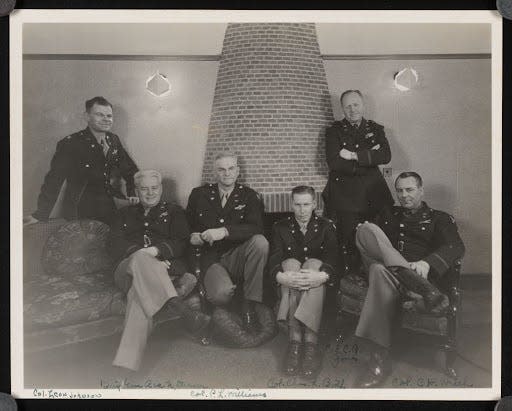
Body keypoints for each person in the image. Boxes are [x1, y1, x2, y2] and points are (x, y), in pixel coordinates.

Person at [352, 171, 465, 388]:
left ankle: (378, 360)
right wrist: (364, 234)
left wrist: (427, 262)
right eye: (400, 191)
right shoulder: (387, 214)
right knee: (365, 230)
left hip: (405, 273)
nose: (404, 195)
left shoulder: (439, 218)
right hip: (401, 277)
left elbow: (456, 247)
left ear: (421, 190)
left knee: (377, 270)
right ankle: (420, 287)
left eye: (410, 190)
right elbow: (373, 244)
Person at [109, 170, 210, 371]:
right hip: (126, 271)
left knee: (138, 297)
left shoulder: (175, 212)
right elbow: (113, 243)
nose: (150, 193)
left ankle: (126, 366)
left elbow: (181, 242)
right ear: (136, 190)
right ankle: (181, 309)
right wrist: (145, 257)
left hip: (160, 275)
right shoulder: (124, 214)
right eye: (144, 189)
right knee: (140, 257)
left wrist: (155, 253)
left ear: (161, 189)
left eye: (154, 188)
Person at [23, 96, 139, 226]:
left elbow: (130, 170)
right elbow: (54, 180)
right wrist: (41, 214)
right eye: (100, 115)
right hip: (81, 208)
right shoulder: (71, 143)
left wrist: (132, 192)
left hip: (110, 204)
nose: (106, 119)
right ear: (87, 116)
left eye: (109, 116)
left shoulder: (113, 140)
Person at [186, 152, 268, 331]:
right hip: (211, 257)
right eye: (221, 169)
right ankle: (224, 308)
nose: (227, 173)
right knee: (220, 295)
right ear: (215, 173)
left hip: (237, 255)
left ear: (238, 171)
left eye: (231, 169)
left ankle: (249, 307)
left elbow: (257, 228)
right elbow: (188, 225)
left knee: (260, 242)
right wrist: (193, 236)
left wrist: (224, 231)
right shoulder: (199, 194)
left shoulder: (249, 196)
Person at [268, 186, 338, 378]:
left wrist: (322, 276)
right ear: (292, 204)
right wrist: (280, 276)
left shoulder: (326, 226)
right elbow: (274, 258)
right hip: (289, 280)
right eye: (297, 205)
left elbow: (334, 259)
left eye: (306, 204)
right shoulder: (279, 227)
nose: (302, 210)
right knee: (290, 263)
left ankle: (308, 344)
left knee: (314, 263)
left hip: (317, 283)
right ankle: (297, 342)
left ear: (314, 204)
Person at [323, 89, 393, 275]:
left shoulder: (375, 129)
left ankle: (380, 283)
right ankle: (351, 286)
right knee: (349, 244)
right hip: (346, 197)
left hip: (374, 196)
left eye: (356, 104)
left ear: (363, 105)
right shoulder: (334, 131)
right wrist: (369, 161)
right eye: (348, 106)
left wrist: (353, 155)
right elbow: (334, 162)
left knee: (379, 243)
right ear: (342, 109)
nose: (352, 109)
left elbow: (385, 156)